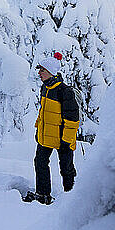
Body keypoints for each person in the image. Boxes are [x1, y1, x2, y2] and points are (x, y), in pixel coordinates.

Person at [23, 52, 79, 205]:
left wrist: (67, 140)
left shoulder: (65, 91)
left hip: (63, 139)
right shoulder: (45, 88)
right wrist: (38, 129)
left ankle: (72, 199)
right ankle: (42, 195)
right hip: (46, 136)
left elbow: (73, 119)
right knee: (40, 162)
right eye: (39, 70)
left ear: (51, 72)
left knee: (66, 169)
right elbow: (43, 112)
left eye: (42, 70)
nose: (39, 73)